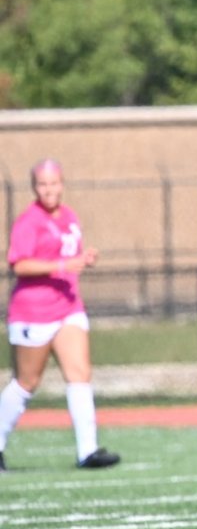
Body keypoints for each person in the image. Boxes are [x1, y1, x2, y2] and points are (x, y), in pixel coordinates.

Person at [0, 159, 120, 471]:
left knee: (79, 374)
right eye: (42, 184)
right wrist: (62, 266)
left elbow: (69, 256)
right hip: (33, 312)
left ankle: (87, 451)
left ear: (62, 183)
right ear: (34, 187)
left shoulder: (69, 217)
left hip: (68, 306)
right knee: (27, 382)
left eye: (53, 183)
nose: (49, 189)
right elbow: (20, 264)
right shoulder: (29, 221)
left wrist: (84, 259)